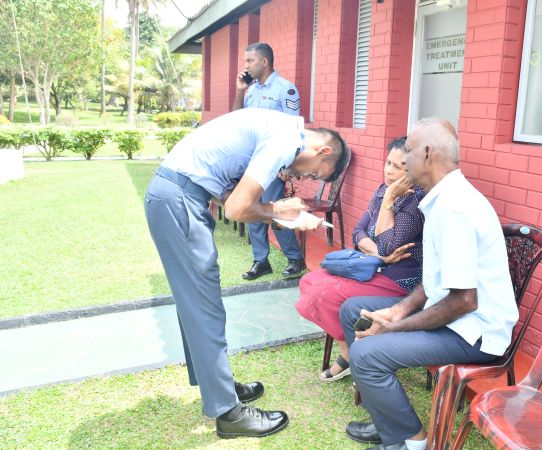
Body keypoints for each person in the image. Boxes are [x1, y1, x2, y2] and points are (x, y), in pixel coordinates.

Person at [144, 107, 349, 440]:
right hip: (179, 199)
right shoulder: (285, 139)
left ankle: (219, 388)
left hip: (178, 195)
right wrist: (277, 210)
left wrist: (278, 214)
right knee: (203, 306)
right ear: (323, 151)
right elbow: (237, 209)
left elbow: (230, 196)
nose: (303, 178)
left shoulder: (281, 127)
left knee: (196, 304)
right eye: (314, 173)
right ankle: (229, 413)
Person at [339, 118, 518, 450]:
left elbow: (464, 301)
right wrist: (399, 310)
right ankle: (387, 418)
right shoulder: (442, 198)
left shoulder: (454, 208)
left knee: (364, 353)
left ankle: (411, 441)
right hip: (454, 317)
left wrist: (395, 327)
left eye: (407, 151)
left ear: (426, 154)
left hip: (474, 332)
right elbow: (437, 279)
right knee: (354, 310)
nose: (402, 159)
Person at [294, 137, 425, 381]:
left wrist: (389, 201)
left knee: (326, 293)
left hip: (399, 279)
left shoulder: (415, 201)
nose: (389, 171)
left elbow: (388, 244)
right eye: (388, 163)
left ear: (414, 171)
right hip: (375, 268)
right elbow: (358, 233)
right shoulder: (382, 190)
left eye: (399, 167)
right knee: (309, 281)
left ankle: (350, 357)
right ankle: (350, 351)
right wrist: (381, 256)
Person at [232, 42, 306, 281]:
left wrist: (288, 167)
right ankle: (261, 261)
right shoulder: (251, 90)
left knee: (274, 210)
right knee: (252, 209)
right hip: (253, 161)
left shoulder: (286, 89)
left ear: (264, 62)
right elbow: (237, 120)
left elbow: (294, 130)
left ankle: (295, 258)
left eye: (250, 60)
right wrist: (240, 91)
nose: (246, 66)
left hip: (275, 162)